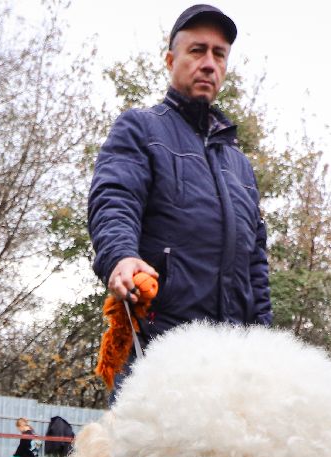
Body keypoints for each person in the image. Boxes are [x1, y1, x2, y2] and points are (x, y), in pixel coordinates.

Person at [87, 4, 270, 391]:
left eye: (219, 54)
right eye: (196, 50)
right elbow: (114, 198)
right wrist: (120, 254)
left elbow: (256, 264)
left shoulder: (240, 166)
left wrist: (264, 342)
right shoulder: (140, 128)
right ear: (171, 60)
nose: (209, 63)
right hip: (158, 350)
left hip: (233, 363)